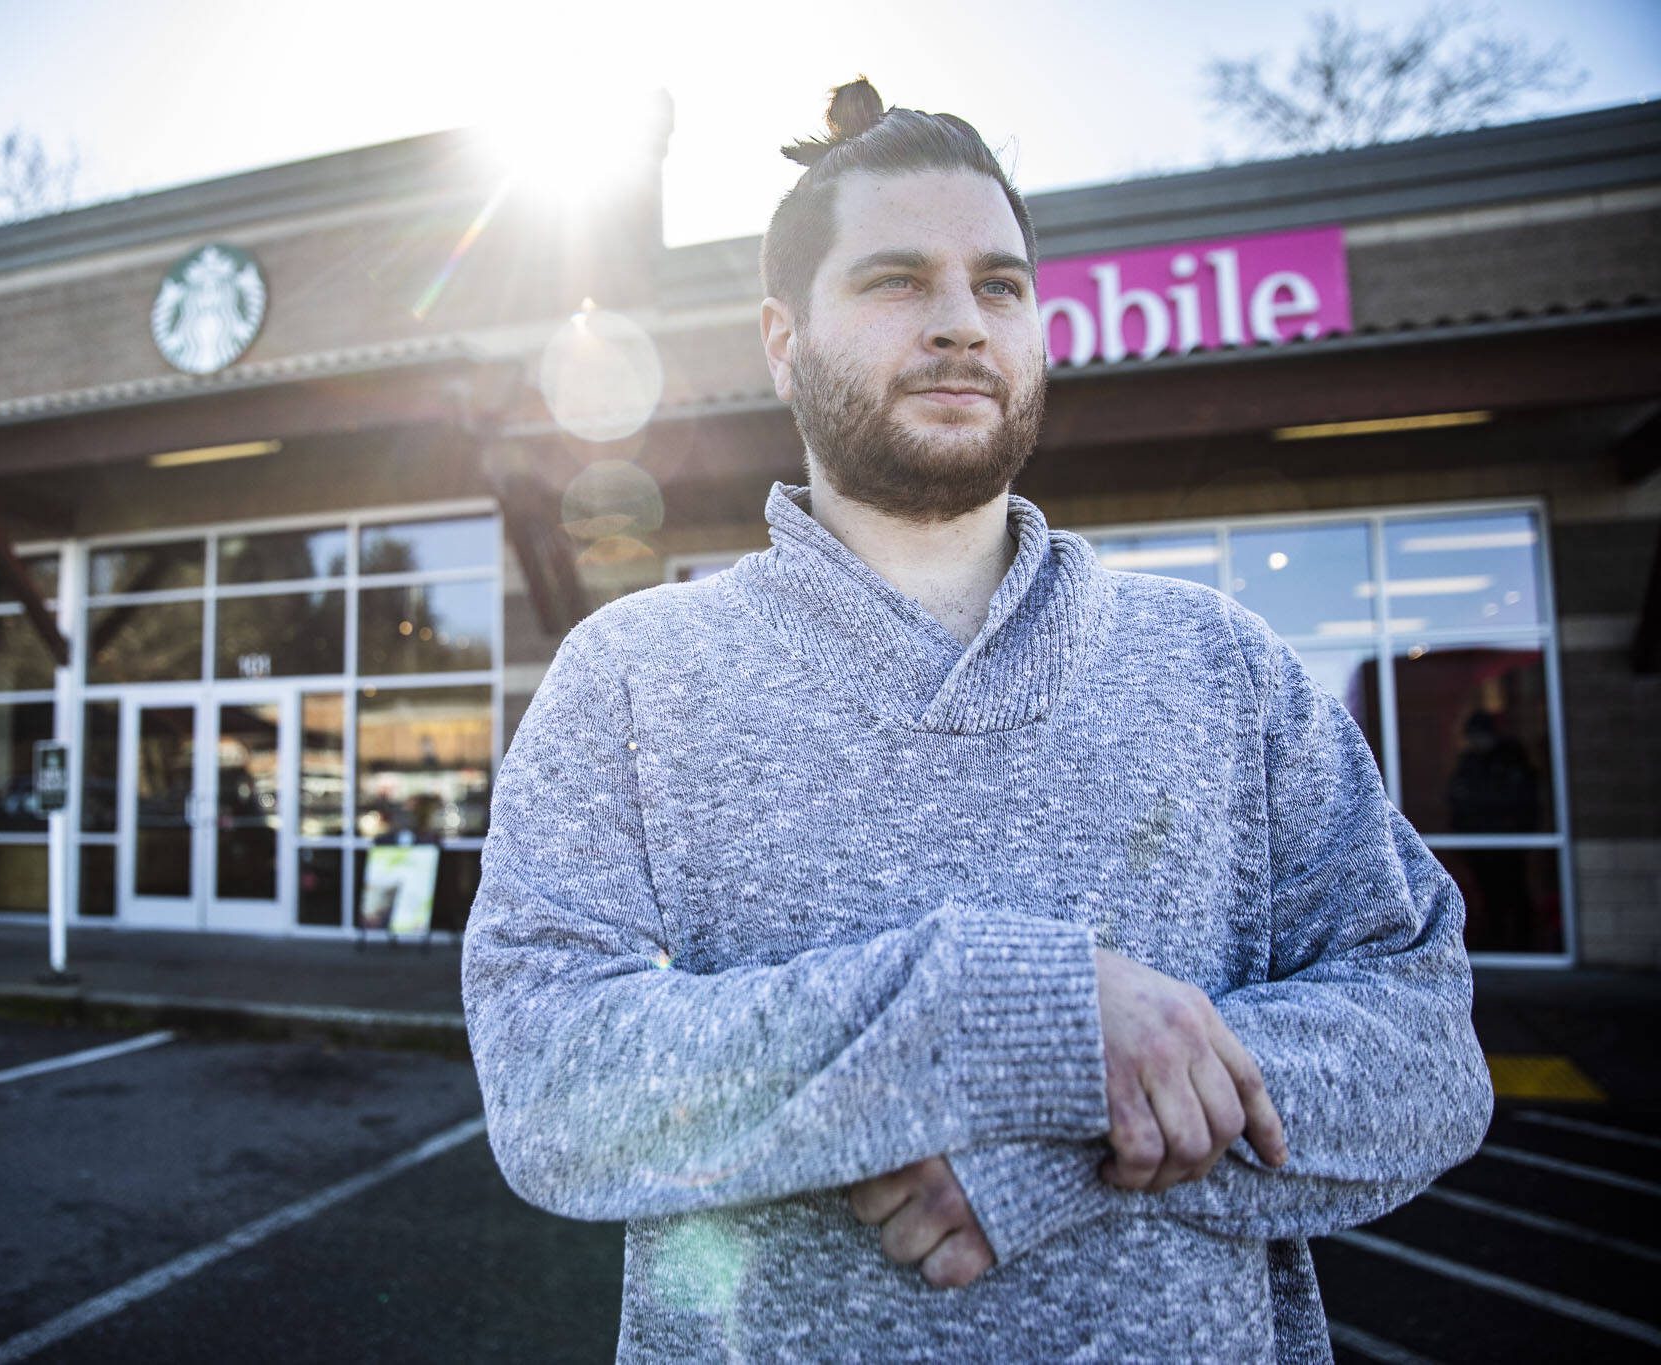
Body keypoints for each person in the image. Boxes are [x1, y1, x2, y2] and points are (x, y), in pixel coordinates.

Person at [462, 78, 1491, 1361]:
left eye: (999, 285)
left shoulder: (1218, 667)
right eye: (896, 280)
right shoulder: (633, 672)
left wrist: (1049, 1142)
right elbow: (552, 1082)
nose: (960, 323)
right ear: (781, 341)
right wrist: (997, 1010)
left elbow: (1422, 1046)